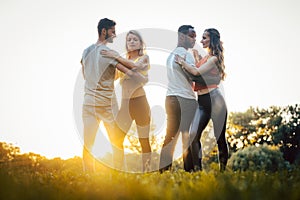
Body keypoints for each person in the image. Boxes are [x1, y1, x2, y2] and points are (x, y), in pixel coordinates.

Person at [80, 18, 135, 172]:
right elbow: (128, 72)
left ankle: (88, 178)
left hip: (89, 103)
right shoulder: (110, 53)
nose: (115, 35)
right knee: (116, 142)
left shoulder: (86, 51)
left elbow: (87, 75)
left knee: (88, 143)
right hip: (107, 105)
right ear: (104, 31)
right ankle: (118, 176)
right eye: (112, 31)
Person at [176, 28, 229, 172]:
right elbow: (198, 72)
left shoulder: (214, 58)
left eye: (204, 38)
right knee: (193, 135)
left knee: (220, 138)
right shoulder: (205, 57)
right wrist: (196, 57)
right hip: (202, 102)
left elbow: (196, 72)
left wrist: (182, 62)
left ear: (212, 39)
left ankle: (223, 171)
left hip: (215, 100)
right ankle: (198, 171)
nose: (201, 41)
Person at [101, 30, 151, 172]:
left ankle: (146, 172)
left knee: (144, 140)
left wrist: (116, 58)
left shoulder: (144, 58)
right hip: (125, 106)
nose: (132, 42)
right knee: (117, 139)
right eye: (129, 40)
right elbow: (113, 76)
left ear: (141, 44)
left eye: (135, 39)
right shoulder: (122, 59)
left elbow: (134, 67)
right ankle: (118, 171)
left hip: (140, 103)